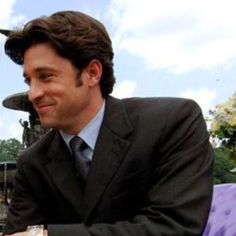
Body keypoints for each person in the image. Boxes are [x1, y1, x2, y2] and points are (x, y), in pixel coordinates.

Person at [3, 11, 214, 236]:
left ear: (92, 73)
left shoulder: (172, 122)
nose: (33, 93)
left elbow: (175, 228)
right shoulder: (32, 162)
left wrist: (46, 235)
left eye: (45, 76)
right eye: (29, 81)